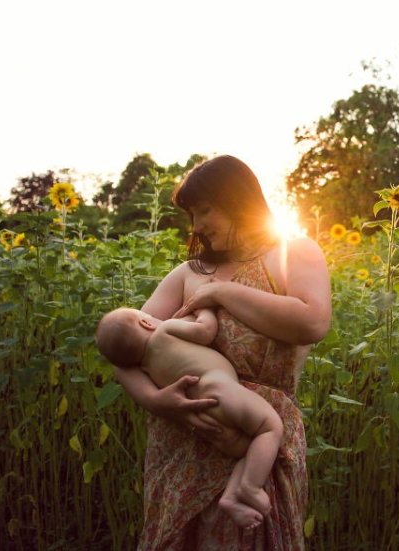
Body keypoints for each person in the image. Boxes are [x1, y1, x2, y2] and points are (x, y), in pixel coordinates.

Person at [112, 155, 332, 550]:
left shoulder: (293, 253)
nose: (196, 226)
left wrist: (221, 292)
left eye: (203, 210)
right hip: (181, 445)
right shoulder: (188, 273)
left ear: (234, 199)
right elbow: (123, 348)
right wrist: (156, 400)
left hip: (257, 441)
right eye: (192, 215)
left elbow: (313, 322)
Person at [96, 305, 283, 529]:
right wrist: (205, 309)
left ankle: (231, 497)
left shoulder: (147, 369)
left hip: (204, 414)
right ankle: (250, 487)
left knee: (250, 448)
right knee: (269, 427)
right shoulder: (164, 331)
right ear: (147, 323)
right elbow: (205, 331)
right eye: (148, 315)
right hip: (219, 388)